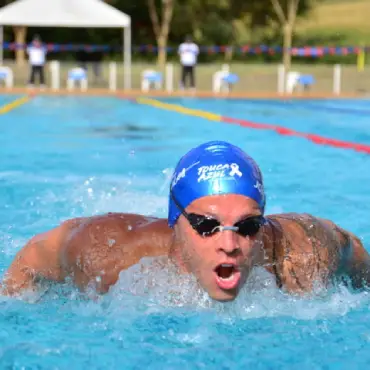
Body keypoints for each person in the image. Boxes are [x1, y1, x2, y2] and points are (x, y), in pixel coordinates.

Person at [2, 141, 370, 301]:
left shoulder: (304, 256)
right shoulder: (109, 253)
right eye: (206, 226)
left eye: (247, 226)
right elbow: (33, 257)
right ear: (175, 220)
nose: (229, 243)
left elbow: (356, 256)